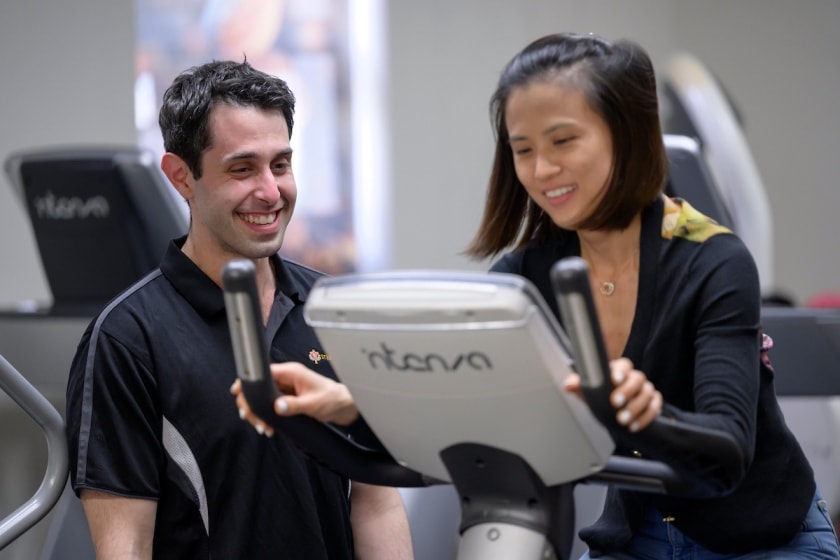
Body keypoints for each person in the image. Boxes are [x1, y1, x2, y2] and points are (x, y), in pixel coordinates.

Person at [237, 32, 840, 559]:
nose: (542, 169)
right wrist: (350, 401)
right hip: (639, 541)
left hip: (764, 542)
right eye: (523, 150)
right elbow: (458, 405)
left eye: (563, 141)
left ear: (626, 136)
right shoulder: (525, 278)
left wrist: (652, 415)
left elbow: (727, 448)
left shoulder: (713, 260)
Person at [65, 59, 412, 559]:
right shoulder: (127, 338)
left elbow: (376, 505)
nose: (271, 192)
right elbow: (127, 545)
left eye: (281, 164)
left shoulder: (338, 312)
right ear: (181, 176)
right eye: (242, 168)